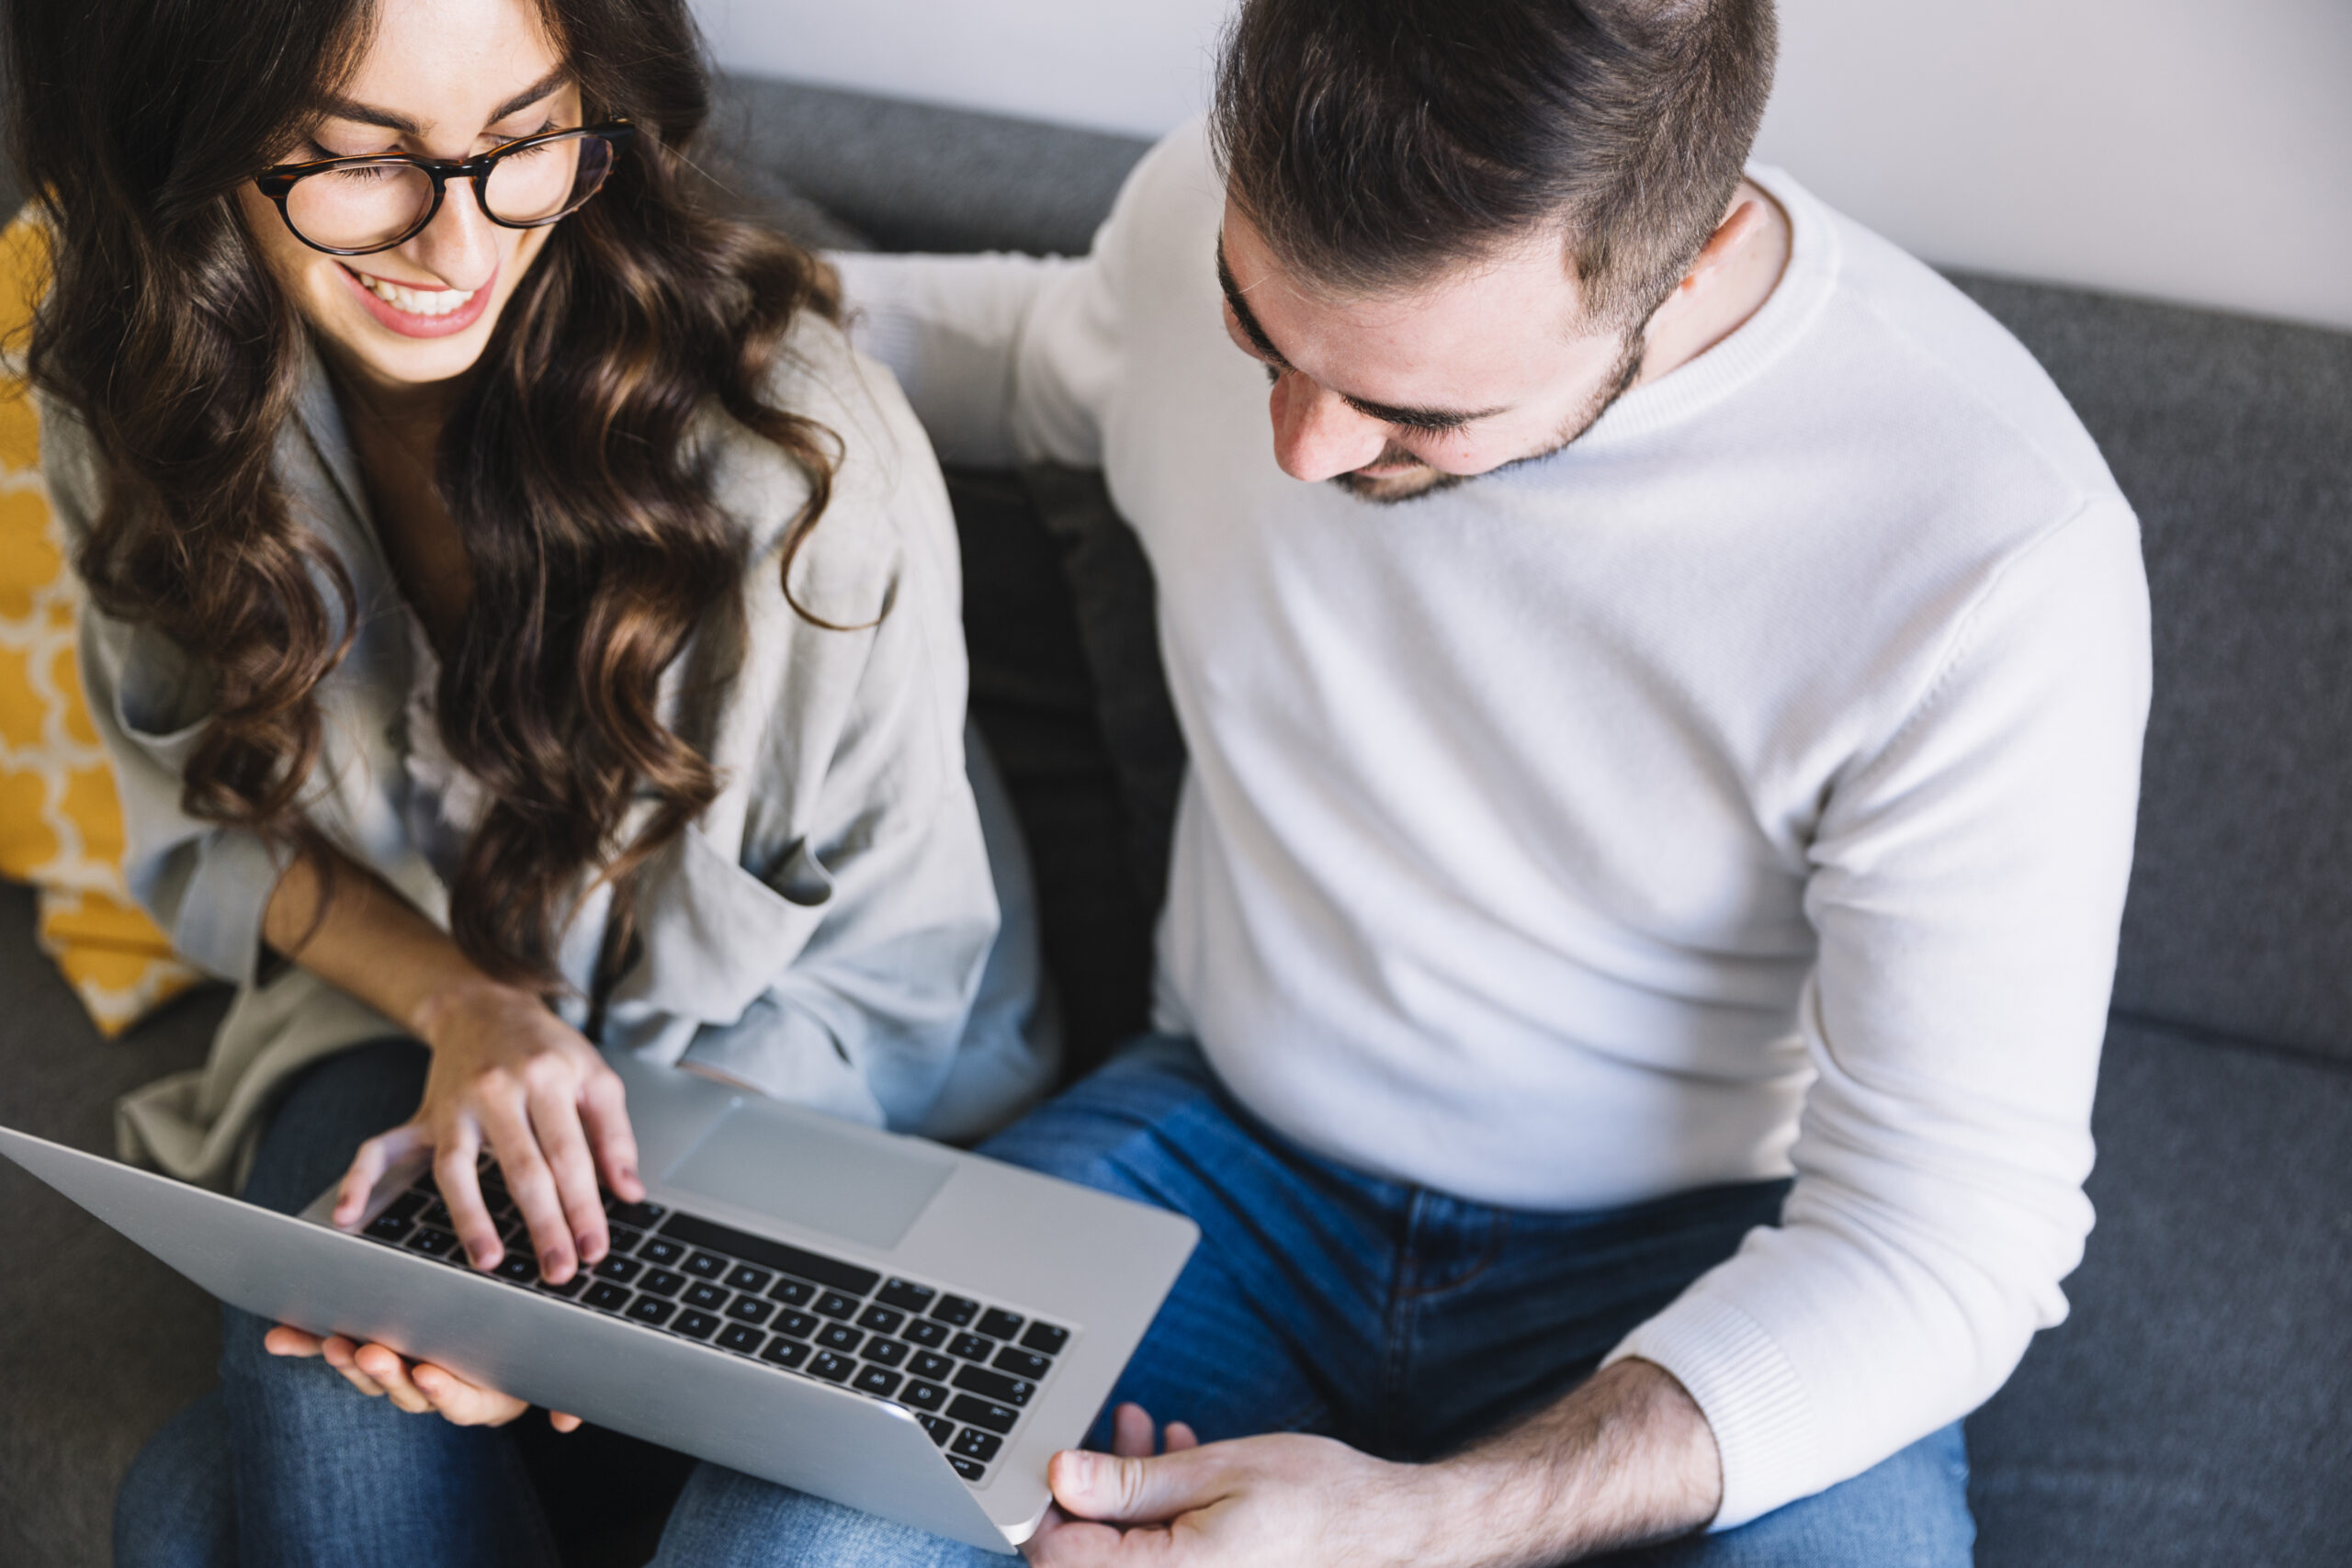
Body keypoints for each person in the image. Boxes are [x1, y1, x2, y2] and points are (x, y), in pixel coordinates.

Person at [638, 0, 2150, 1562]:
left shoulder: (1987, 547)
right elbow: (1038, 358)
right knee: (787, 1535)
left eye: (1415, 414)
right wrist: (599, 318)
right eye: (1255, 330)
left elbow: (1945, 1235)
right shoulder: (1191, 232)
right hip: (1207, 1157)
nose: (1300, 446)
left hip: (1698, 1264)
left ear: (1681, 264)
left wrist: (1428, 1525)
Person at [11, 0, 1052, 1562]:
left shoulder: (804, 474)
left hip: (781, 1097)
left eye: (522, 140)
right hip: (392, 1010)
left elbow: (891, 998)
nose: (456, 246)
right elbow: (217, 830)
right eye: (358, 162)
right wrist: (469, 1012)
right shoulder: (138, 386)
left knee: (193, 1513)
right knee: (311, 1397)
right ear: (194, 137)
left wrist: (578, 1249)